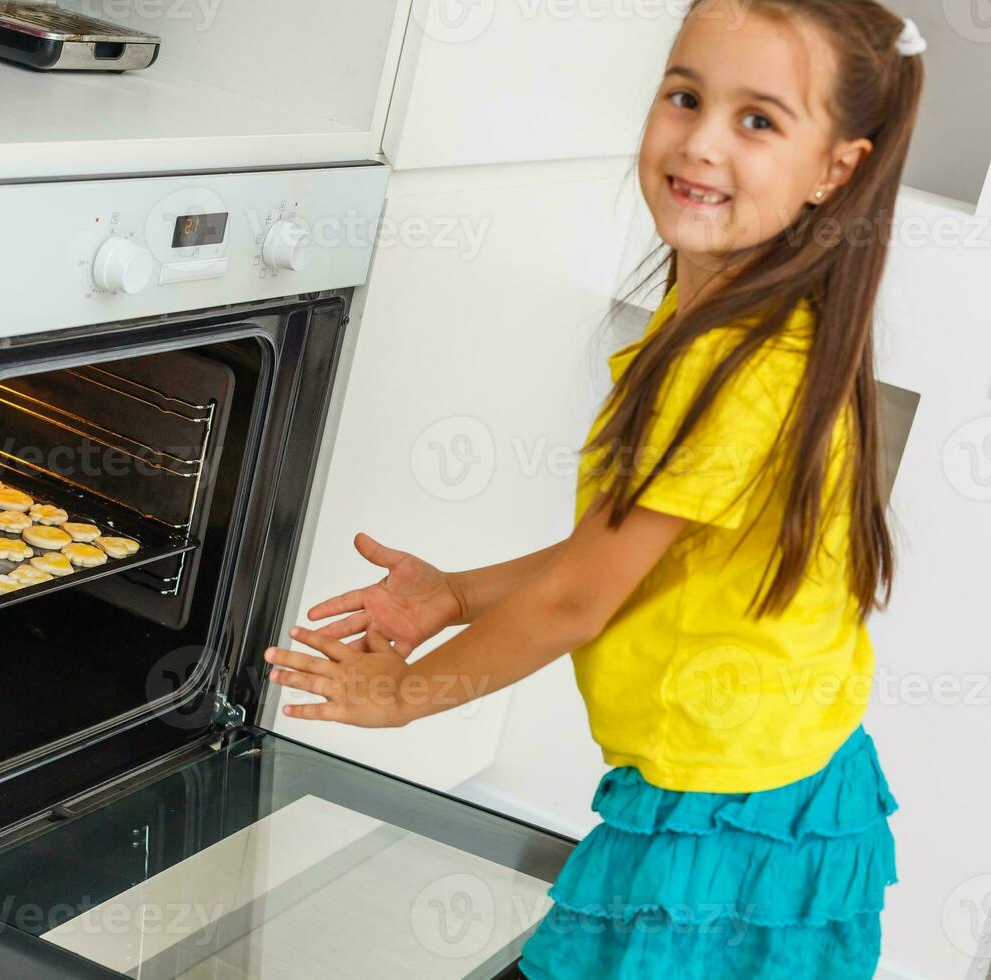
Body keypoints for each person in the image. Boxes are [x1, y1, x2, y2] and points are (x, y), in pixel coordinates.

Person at [262, 0, 924, 974]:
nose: (701, 141)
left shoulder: (729, 367)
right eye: (684, 94)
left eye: (758, 119)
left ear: (837, 168)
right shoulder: (771, 328)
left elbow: (580, 597)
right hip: (791, 803)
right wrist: (454, 593)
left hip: (728, 838)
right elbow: (621, 558)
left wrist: (407, 692)